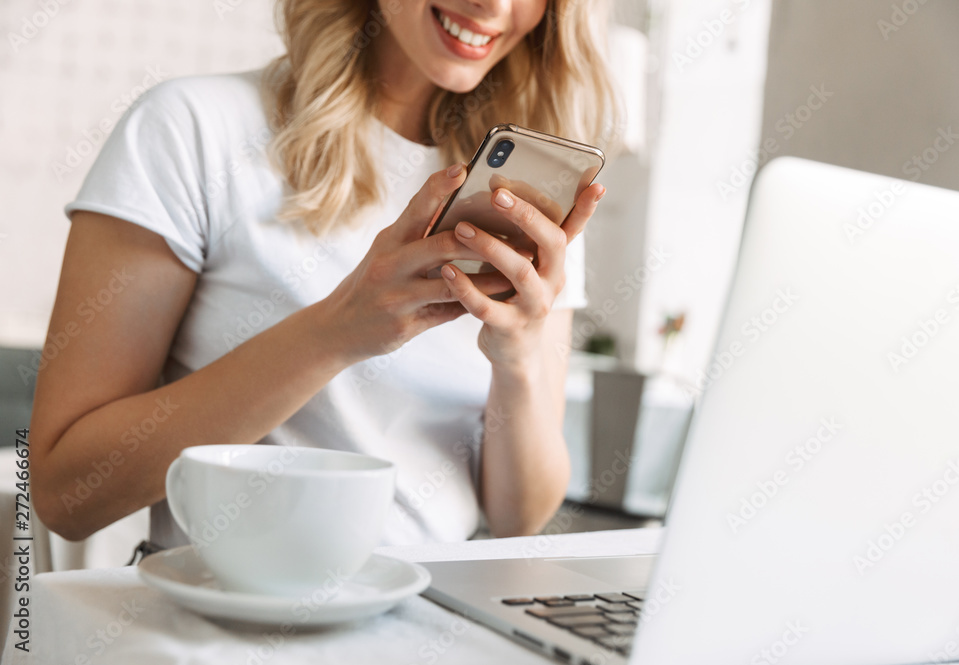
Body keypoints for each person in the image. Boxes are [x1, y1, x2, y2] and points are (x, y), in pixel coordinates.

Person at [30, 0, 618, 549]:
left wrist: (517, 362)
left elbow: (520, 517)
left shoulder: (527, 198)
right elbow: (66, 494)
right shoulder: (190, 129)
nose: (494, 4)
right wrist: (337, 333)